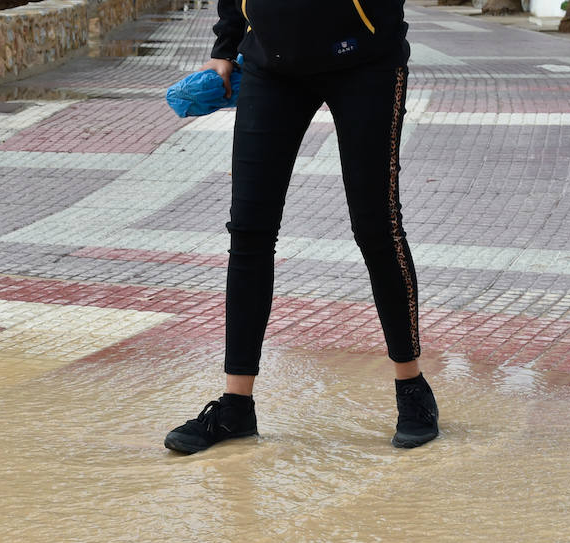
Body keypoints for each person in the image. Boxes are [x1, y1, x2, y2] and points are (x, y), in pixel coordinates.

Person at [164, 0, 439, 454]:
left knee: (376, 225)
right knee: (250, 230)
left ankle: (412, 388)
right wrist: (226, 45)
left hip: (366, 61)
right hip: (269, 64)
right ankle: (236, 405)